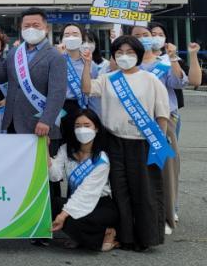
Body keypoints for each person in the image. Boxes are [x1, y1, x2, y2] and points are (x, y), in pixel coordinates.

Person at [82, 35, 171, 252]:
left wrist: (159, 142)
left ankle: (146, 237)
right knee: (120, 190)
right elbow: (87, 89)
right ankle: (126, 237)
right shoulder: (108, 78)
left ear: (138, 55)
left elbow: (162, 114)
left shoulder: (150, 80)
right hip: (114, 141)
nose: (124, 57)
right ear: (113, 56)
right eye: (119, 53)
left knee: (144, 191)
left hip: (143, 142)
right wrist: (87, 64)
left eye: (130, 53)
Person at [130, 24, 189, 235]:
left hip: (162, 121)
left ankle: (166, 214)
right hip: (133, 123)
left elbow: (179, 82)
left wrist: (173, 58)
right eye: (137, 36)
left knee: (165, 168)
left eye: (146, 35)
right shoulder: (127, 64)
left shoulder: (163, 63)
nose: (143, 38)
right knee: (138, 169)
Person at [0, 8, 67, 140]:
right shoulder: (14, 52)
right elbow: (1, 78)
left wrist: (46, 120)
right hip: (11, 121)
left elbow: (57, 93)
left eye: (36, 25)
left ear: (46, 28)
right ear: (21, 29)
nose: (31, 29)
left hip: (39, 124)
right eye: (26, 26)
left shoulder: (55, 56)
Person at [49, 108, 119, 252]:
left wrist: (63, 215)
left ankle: (108, 232)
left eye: (87, 125)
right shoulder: (66, 149)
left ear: (96, 128)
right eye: (78, 126)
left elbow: (86, 192)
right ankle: (87, 237)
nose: (82, 130)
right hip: (76, 200)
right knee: (53, 205)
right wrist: (45, 148)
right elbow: (55, 175)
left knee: (76, 217)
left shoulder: (101, 158)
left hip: (100, 204)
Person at [57, 24, 99, 133]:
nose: (71, 38)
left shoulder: (90, 64)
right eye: (67, 35)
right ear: (61, 40)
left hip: (81, 106)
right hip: (59, 106)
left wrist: (95, 115)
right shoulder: (55, 60)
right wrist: (59, 59)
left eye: (75, 34)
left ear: (82, 39)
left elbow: (93, 94)